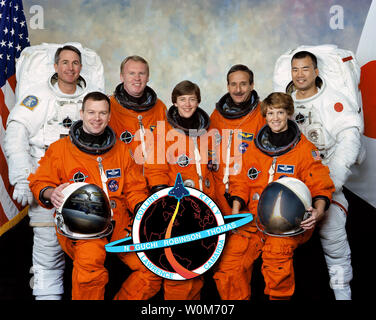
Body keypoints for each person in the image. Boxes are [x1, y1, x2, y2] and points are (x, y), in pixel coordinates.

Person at [28, 91, 157, 300]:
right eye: (91, 112)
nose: (97, 118)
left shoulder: (122, 150)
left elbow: (135, 189)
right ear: (82, 113)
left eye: (102, 113)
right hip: (82, 225)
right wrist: (51, 193)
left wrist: (145, 211)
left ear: (109, 116)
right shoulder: (60, 150)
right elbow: (39, 181)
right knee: (90, 265)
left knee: (152, 268)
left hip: (120, 222)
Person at [3, 44, 103, 300]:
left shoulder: (92, 100)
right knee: (48, 258)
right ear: (56, 66)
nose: (70, 68)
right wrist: (24, 179)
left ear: (81, 67)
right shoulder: (37, 97)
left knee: (89, 256)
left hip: (84, 185)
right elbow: (15, 135)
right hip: (46, 182)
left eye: (75, 63)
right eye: (65, 62)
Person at [220, 92, 335, 300]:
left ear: (289, 114)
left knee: (276, 264)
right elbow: (240, 182)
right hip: (252, 219)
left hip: (287, 222)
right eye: (270, 113)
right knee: (229, 267)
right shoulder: (254, 149)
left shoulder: (303, 150)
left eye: (280, 112)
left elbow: (321, 185)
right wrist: (236, 212)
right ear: (265, 115)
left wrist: (317, 213)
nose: (275, 118)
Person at [288, 51, 363, 300]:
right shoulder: (284, 105)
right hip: (292, 182)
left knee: (333, 236)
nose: (300, 75)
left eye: (305, 69)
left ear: (316, 71)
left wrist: (329, 183)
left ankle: (343, 293)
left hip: (326, 177)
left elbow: (349, 139)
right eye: (295, 69)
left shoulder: (333, 102)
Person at [144, 80, 214, 299]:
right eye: (182, 99)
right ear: (174, 102)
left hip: (207, 208)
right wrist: (167, 205)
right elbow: (155, 171)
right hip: (179, 211)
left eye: (192, 99)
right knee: (179, 269)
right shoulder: (162, 133)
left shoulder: (208, 131)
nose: (187, 104)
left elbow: (215, 172)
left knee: (198, 267)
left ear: (199, 101)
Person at [209, 65, 265, 298]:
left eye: (244, 84)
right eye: (233, 84)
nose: (238, 89)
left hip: (249, 207)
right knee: (230, 271)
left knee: (230, 269)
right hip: (221, 205)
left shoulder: (263, 115)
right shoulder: (215, 117)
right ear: (227, 86)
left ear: (252, 85)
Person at [108, 55, 167, 168]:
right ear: (122, 77)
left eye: (141, 73)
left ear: (148, 77)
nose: (137, 78)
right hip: (124, 176)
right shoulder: (108, 107)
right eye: (131, 73)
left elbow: (167, 145)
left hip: (156, 174)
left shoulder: (160, 107)